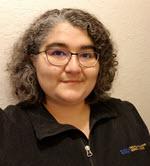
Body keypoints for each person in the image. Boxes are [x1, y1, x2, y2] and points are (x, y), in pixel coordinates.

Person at [0, 8, 150, 166]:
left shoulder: (126, 113)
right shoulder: (7, 130)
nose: (74, 68)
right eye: (58, 53)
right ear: (33, 61)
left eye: (86, 55)